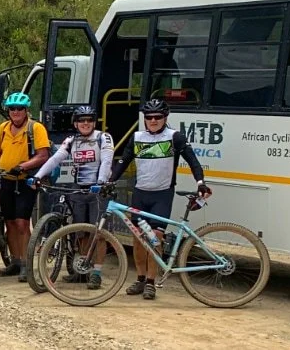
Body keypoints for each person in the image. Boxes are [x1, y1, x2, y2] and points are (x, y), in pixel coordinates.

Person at [108, 98, 209, 300]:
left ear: (165, 118)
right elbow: (123, 161)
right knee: (138, 239)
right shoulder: (137, 137)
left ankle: (151, 283)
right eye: (149, 117)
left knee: (155, 238)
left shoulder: (175, 137)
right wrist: (109, 181)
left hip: (162, 195)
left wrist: (200, 183)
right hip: (140, 194)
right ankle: (140, 278)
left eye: (158, 117)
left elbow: (193, 161)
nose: (153, 120)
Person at [30, 105, 114, 289]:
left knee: (97, 234)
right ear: (75, 123)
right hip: (79, 189)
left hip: (98, 190)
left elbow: (107, 160)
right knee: (81, 233)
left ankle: (97, 273)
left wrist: (100, 182)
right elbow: (55, 159)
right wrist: (37, 176)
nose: (85, 123)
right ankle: (84, 269)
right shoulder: (71, 140)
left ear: (94, 122)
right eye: (81, 120)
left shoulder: (103, 138)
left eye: (89, 120)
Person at [0, 91, 50, 280]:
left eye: (19, 109)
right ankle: (15, 261)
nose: (16, 112)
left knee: (22, 223)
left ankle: (26, 263)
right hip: (6, 180)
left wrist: (23, 166)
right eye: (12, 109)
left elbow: (43, 155)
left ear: (26, 110)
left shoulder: (36, 128)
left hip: (25, 181)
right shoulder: (3, 128)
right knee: (9, 222)